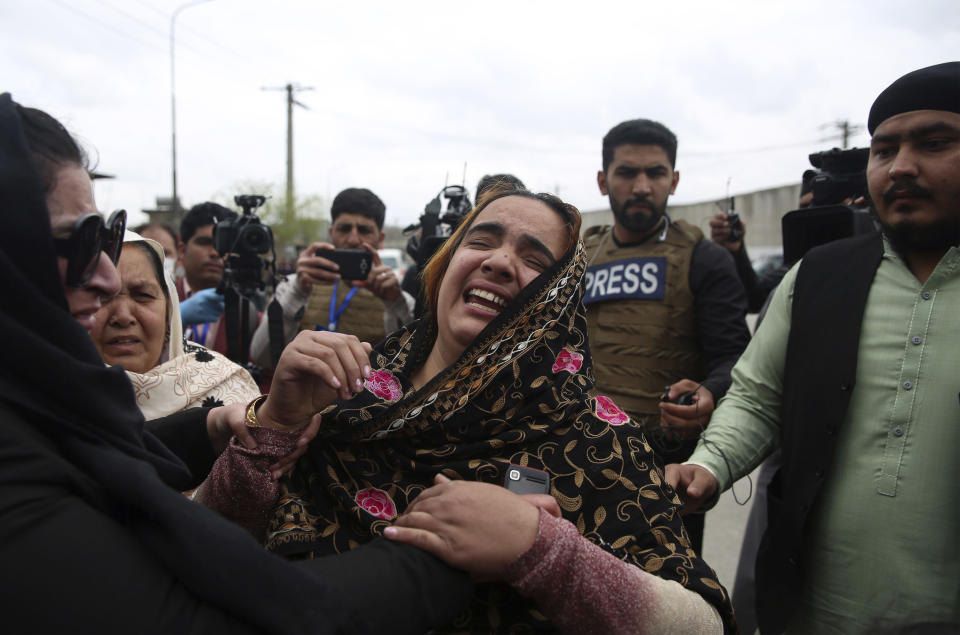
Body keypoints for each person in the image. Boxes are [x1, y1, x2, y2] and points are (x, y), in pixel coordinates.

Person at [0, 93, 474, 633]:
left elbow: (104, 453)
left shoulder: (57, 402)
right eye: (79, 241)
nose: (107, 282)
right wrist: (452, 551)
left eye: (106, 237)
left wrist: (233, 421)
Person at [200, 187, 735, 633]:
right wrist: (271, 426)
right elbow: (211, 543)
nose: (500, 262)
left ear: (561, 297)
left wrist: (543, 553)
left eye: (533, 258)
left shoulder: (596, 435)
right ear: (445, 265)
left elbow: (705, 623)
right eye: (480, 241)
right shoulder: (344, 385)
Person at [666, 61, 960, 633]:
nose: (901, 166)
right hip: (812, 612)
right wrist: (708, 465)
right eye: (883, 150)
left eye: (934, 143)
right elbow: (757, 397)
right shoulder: (817, 276)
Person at [584, 118, 750, 552]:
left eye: (655, 173)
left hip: (661, 470)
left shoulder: (704, 258)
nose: (641, 186)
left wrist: (710, 392)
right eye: (626, 173)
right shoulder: (579, 256)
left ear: (673, 181)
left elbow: (734, 358)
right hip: (578, 455)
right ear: (603, 181)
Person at [89, 233, 260, 419]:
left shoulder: (229, 394)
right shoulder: (56, 396)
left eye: (143, 295)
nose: (123, 317)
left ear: (169, 311)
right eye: (102, 295)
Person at [249, 187, 414, 369]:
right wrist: (297, 292)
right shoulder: (296, 286)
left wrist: (395, 303)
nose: (353, 239)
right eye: (344, 228)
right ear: (331, 233)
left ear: (380, 239)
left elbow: (410, 367)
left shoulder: (399, 298)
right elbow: (261, 357)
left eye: (364, 230)